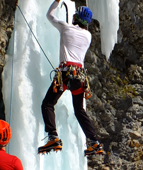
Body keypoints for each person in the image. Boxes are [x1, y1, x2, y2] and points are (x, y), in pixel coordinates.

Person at [39, 1, 103, 157]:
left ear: (75, 17)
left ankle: (53, 136)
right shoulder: (88, 36)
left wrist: (57, 1)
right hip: (79, 76)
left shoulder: (66, 27)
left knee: (48, 103)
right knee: (79, 110)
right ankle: (94, 142)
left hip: (65, 74)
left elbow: (50, 15)